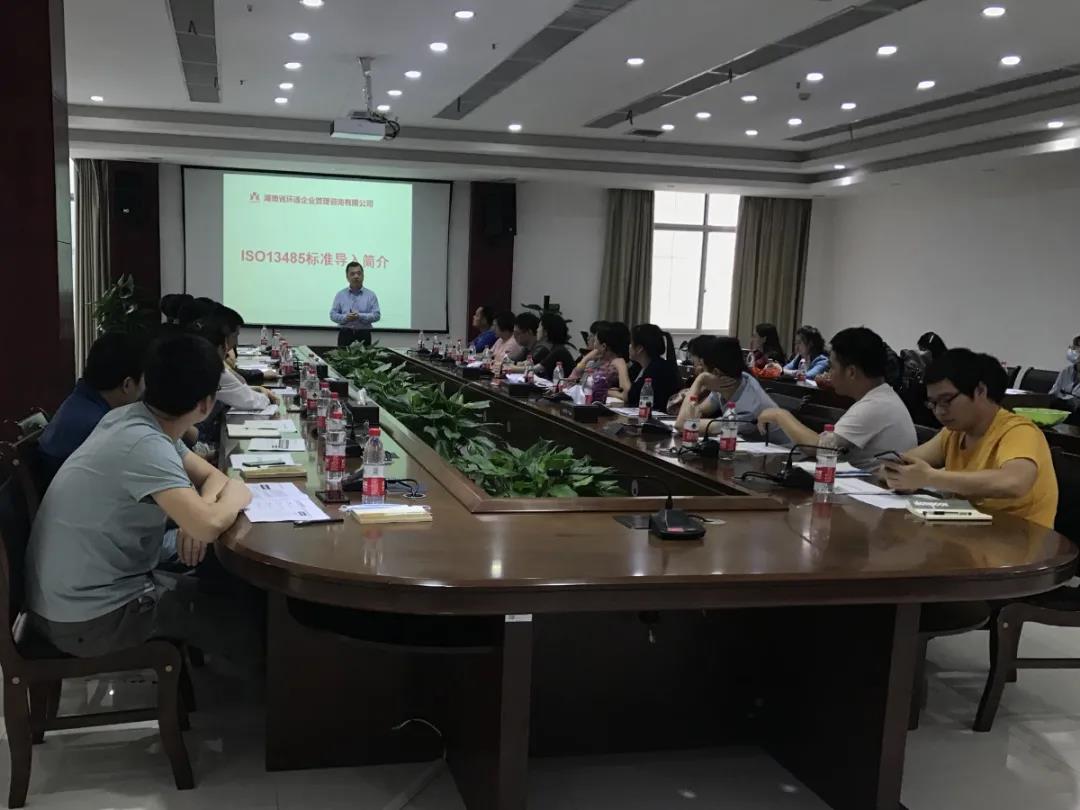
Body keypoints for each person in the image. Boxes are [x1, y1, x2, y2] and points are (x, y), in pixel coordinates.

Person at [24, 333, 257, 660]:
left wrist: (201, 510)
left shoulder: (133, 419)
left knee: (222, 584)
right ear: (206, 405)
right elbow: (210, 519)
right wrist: (237, 493)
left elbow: (211, 478)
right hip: (87, 619)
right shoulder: (145, 445)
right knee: (239, 619)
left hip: (73, 599)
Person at [883, 349, 1058, 528]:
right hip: (968, 531)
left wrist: (929, 477)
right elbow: (898, 464)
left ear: (980, 391)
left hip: (1019, 537)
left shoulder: (1018, 431)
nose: (940, 411)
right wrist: (898, 475)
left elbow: (1014, 482)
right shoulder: (954, 433)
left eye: (947, 400)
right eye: (933, 403)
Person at [759, 327, 916, 468]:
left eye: (832, 367)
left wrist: (780, 415)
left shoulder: (876, 405)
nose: (828, 373)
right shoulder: (881, 397)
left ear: (851, 372)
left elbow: (819, 448)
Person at [38, 332, 144, 478]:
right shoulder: (99, 427)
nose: (144, 389)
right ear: (127, 384)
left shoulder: (80, 403)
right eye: (144, 381)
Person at [676, 336, 787, 442]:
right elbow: (695, 412)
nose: (699, 371)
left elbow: (683, 425)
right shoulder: (731, 381)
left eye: (703, 369)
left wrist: (699, 381)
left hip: (784, 453)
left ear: (716, 373)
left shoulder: (749, 408)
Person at [190, 316, 278, 410]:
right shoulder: (212, 368)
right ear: (220, 346)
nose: (235, 342)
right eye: (235, 336)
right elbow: (248, 400)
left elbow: (232, 388)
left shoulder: (197, 358)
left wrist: (256, 389)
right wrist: (266, 397)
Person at [569, 323, 632, 400]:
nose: (594, 345)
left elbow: (574, 384)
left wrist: (585, 359)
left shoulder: (612, 367)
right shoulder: (596, 361)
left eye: (595, 341)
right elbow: (571, 383)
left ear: (603, 346)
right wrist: (585, 359)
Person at [625, 324, 680, 409]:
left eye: (631, 343)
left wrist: (621, 367)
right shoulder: (639, 366)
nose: (629, 346)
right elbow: (623, 390)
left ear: (639, 349)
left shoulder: (659, 369)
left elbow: (630, 396)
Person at [330, 261, 381, 346]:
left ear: (363, 275)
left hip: (364, 334)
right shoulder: (340, 294)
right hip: (345, 334)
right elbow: (333, 315)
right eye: (352, 274)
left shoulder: (371, 295)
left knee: (365, 355)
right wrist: (346, 317)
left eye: (359, 273)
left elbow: (376, 315)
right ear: (347, 277)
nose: (356, 276)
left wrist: (359, 316)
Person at [667, 335, 714, 411]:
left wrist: (700, 380)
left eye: (692, 356)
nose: (691, 360)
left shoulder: (711, 386)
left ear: (701, 360)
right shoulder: (693, 379)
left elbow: (674, 408)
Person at [529, 313, 577, 380]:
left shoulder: (558, 351)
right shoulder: (553, 348)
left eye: (539, 327)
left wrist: (513, 368)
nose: (537, 330)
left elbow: (533, 369)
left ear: (546, 332)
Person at [1049, 335, 1080, 411]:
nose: (1073, 350)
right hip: (1061, 410)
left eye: (1076, 347)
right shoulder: (1066, 371)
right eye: (1073, 347)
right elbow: (1053, 393)